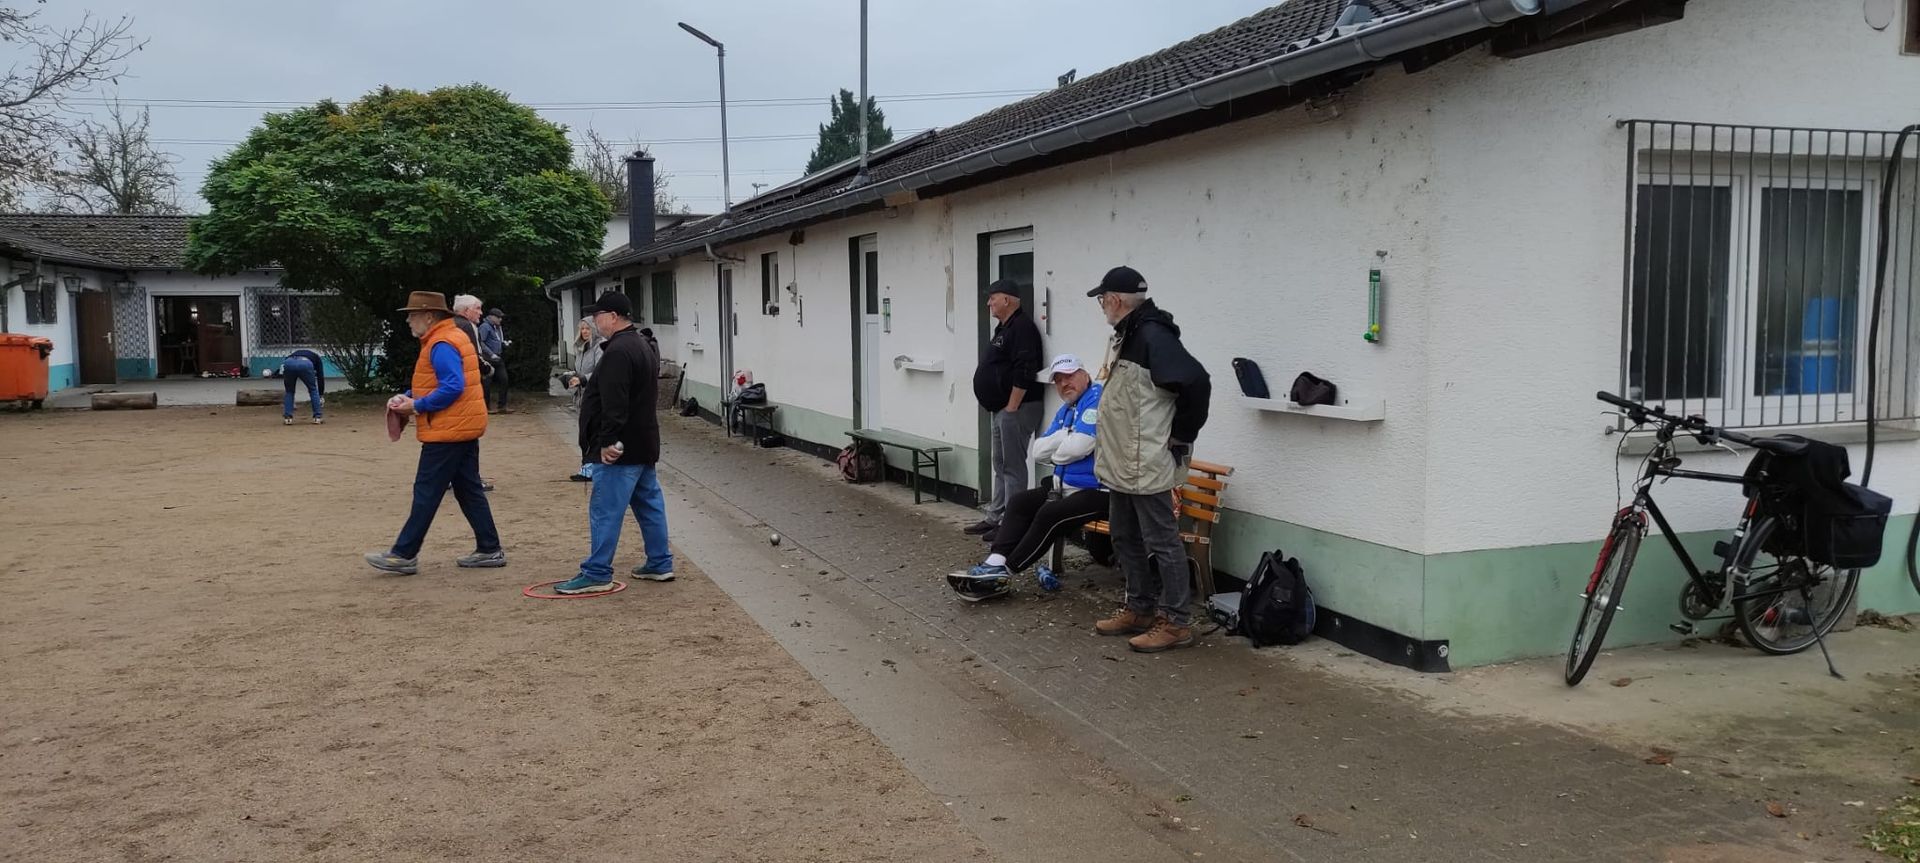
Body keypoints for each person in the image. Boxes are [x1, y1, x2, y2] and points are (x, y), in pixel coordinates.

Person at [1085, 266, 1211, 653]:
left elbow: (1197, 382)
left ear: (1114, 300)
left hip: (1146, 462)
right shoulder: (1130, 333)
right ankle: (1139, 608)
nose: (1102, 307)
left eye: (1102, 300)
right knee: (1123, 536)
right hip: (1124, 462)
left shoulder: (1153, 335)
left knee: (1162, 542)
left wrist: (1182, 435)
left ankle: (1176, 623)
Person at [363, 291, 506, 576]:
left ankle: (404, 553)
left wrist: (416, 405)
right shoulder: (450, 337)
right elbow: (444, 383)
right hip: (462, 427)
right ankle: (489, 548)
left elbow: (452, 386)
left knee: (426, 491)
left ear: (429, 316)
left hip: (447, 430)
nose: (408, 320)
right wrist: (410, 396)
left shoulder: (440, 343)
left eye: (412, 315)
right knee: (468, 490)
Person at [947, 354, 1107, 602]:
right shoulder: (1068, 409)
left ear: (1085, 375)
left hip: (1100, 492)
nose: (1064, 384)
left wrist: (1059, 450)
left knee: (1049, 514)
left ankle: (1004, 573)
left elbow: (1080, 446)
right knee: (1020, 502)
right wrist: (1065, 437)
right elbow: (1038, 451)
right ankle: (994, 562)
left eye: (1069, 376)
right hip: (1065, 486)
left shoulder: (1096, 399)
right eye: (1058, 380)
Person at [556, 291, 672, 595]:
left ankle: (597, 572)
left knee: (605, 509)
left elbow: (614, 401)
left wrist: (608, 441)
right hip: (643, 442)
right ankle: (660, 562)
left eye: (598, 315)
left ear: (613, 316)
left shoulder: (618, 351)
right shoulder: (642, 344)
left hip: (620, 449)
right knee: (649, 505)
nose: (594, 321)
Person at [967, 279, 1044, 537]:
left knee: (1012, 467)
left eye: (992, 298)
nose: (988, 303)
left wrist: (1012, 406)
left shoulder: (1022, 327)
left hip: (1018, 409)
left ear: (1007, 300)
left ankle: (1013, 525)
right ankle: (996, 517)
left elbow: (1025, 368)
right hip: (1002, 409)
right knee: (1000, 463)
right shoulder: (1005, 327)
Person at [450, 294, 497, 492]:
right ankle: (471, 479)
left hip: (455, 387)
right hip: (467, 388)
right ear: (466, 310)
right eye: (477, 308)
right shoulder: (467, 327)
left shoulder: (450, 324)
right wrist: (488, 369)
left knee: (455, 436)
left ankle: (451, 477)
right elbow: (472, 356)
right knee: (469, 435)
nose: (480, 312)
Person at [563, 316, 604, 482]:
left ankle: (590, 468)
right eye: (582, 329)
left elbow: (601, 370)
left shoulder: (599, 346)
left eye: (588, 328)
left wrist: (583, 379)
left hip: (595, 397)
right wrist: (570, 376)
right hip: (582, 396)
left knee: (590, 434)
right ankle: (589, 466)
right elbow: (579, 369)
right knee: (585, 434)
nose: (585, 332)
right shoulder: (580, 347)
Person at [280, 348, 325, 425]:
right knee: (313, 390)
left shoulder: (294, 354)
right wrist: (321, 394)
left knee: (289, 391)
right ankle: (317, 417)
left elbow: (285, 363)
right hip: (305, 364)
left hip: (288, 362)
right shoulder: (317, 358)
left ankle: (288, 418)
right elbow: (320, 377)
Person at [478, 307, 511, 414]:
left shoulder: (497, 327)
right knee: (486, 383)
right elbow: (481, 342)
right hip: (488, 359)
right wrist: (490, 354)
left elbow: (497, 340)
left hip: (498, 357)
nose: (500, 319)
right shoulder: (485, 327)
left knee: (504, 380)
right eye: (498, 317)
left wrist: (503, 344)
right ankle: (486, 407)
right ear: (491, 317)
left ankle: (502, 406)